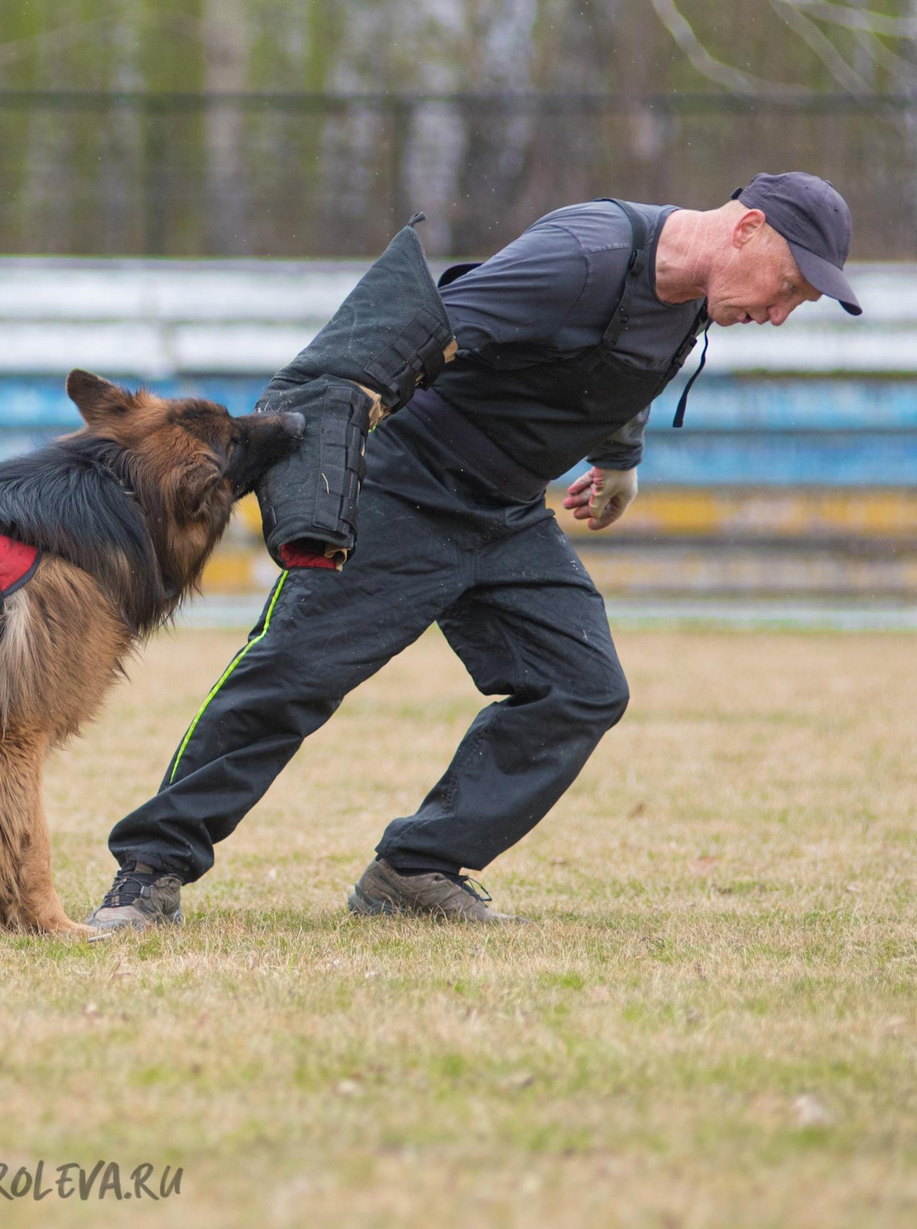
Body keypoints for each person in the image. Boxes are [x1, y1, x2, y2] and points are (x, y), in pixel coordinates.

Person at [88, 176, 861, 930]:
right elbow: (417, 328)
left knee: (582, 685)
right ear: (748, 228)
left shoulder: (692, 295)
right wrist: (335, 437)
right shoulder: (582, 256)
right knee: (291, 677)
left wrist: (619, 461)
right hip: (406, 487)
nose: (782, 313)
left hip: (508, 512)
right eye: (789, 286)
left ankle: (415, 869)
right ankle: (150, 868)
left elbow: (624, 370)